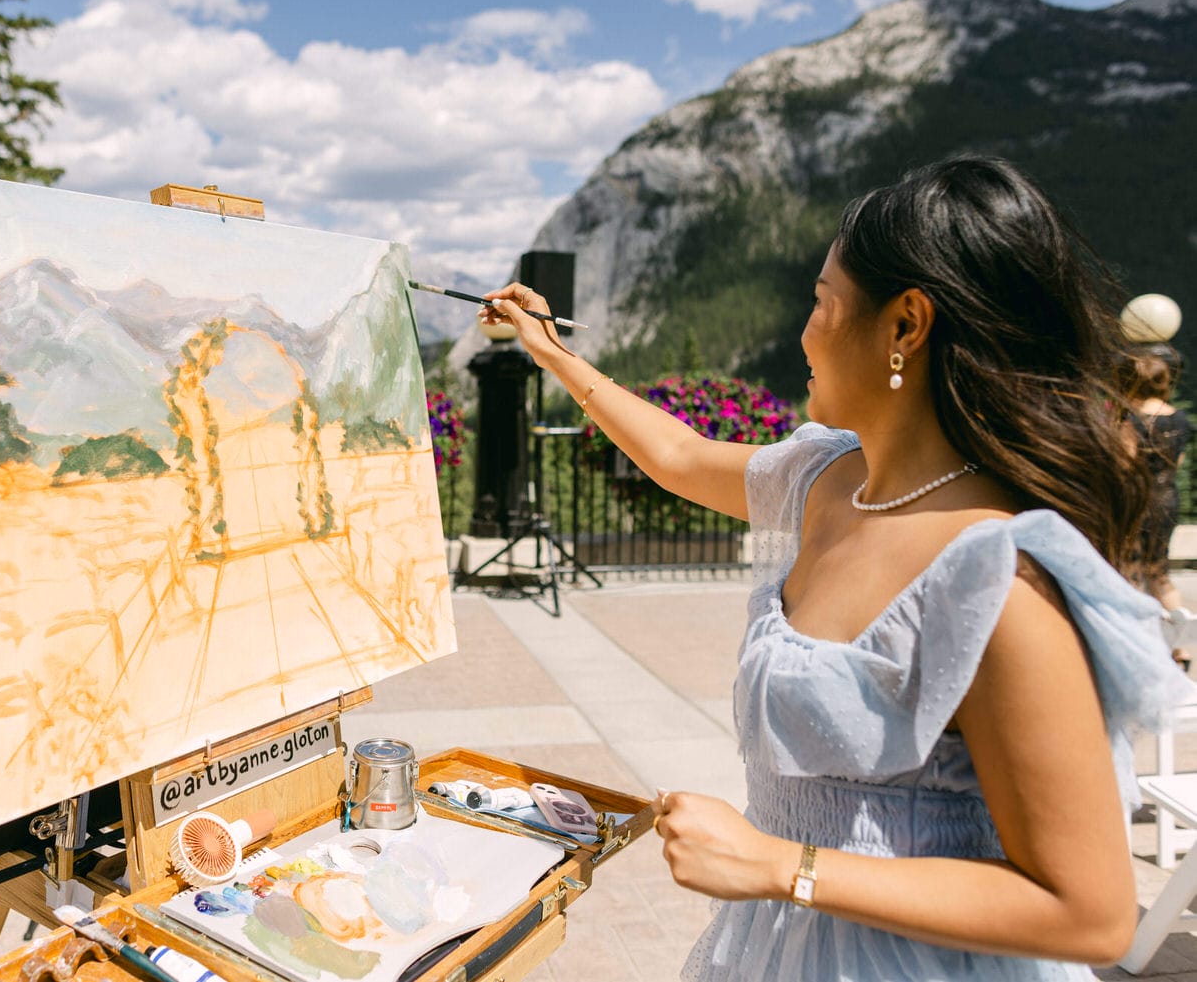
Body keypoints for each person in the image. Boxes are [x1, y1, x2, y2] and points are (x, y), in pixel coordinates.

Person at [478, 156, 1192, 980]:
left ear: (906, 326)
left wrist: (781, 866)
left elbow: (1092, 910)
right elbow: (678, 454)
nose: (804, 330)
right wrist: (549, 350)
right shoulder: (825, 477)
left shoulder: (999, 574)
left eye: (821, 301)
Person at [1122, 348, 1192, 614]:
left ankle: (1143, 638)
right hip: (1168, 499)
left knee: (1132, 570)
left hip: (1137, 500)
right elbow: (1180, 461)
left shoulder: (1132, 420)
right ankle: (1181, 646)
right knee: (1160, 572)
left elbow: (1124, 465)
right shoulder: (1180, 419)